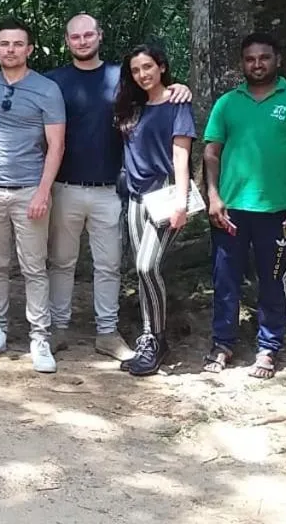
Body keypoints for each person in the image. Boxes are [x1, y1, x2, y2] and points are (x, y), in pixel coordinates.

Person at [46, 13, 188, 362]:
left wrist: (180, 88)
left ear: (100, 36)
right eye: (75, 36)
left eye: (88, 34)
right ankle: (58, 328)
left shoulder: (120, 79)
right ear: (67, 41)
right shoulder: (53, 82)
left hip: (111, 189)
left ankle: (107, 333)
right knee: (62, 261)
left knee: (108, 264)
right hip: (65, 186)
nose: (82, 41)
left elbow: (154, 94)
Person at [203, 33, 286, 380]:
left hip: (278, 211)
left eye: (264, 58)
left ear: (277, 60)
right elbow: (211, 151)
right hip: (230, 210)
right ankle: (222, 343)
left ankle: (268, 347)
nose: (257, 64)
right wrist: (213, 195)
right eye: (250, 59)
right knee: (225, 280)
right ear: (242, 63)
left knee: (272, 282)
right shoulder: (227, 103)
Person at [0, 19, 65, 372]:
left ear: (29, 49)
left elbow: (56, 145)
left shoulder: (47, 89)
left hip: (31, 189)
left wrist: (43, 192)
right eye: (4, 44)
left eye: (17, 44)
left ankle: (39, 337)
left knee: (33, 267)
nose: (10, 49)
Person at [112, 44, 196, 376]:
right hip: (134, 198)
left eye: (148, 67)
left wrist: (181, 202)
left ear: (161, 66)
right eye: (136, 70)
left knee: (148, 266)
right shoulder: (130, 107)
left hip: (165, 195)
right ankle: (149, 338)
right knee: (142, 270)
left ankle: (158, 339)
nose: (142, 75)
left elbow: (181, 156)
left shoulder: (178, 104)